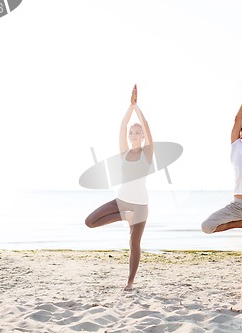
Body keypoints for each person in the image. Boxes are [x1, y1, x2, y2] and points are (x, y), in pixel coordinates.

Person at [201, 78, 242, 297]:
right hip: (238, 205)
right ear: (240, 134)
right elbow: (238, 118)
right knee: (207, 226)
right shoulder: (235, 147)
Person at [85, 84, 153, 291]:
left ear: (141, 137)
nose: (133, 134)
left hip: (140, 204)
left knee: (134, 244)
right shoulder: (123, 152)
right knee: (90, 221)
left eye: (137, 132)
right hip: (121, 200)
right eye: (132, 132)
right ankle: (125, 216)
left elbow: (147, 127)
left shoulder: (147, 154)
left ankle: (130, 282)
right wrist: (130, 106)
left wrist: (138, 109)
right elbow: (122, 126)